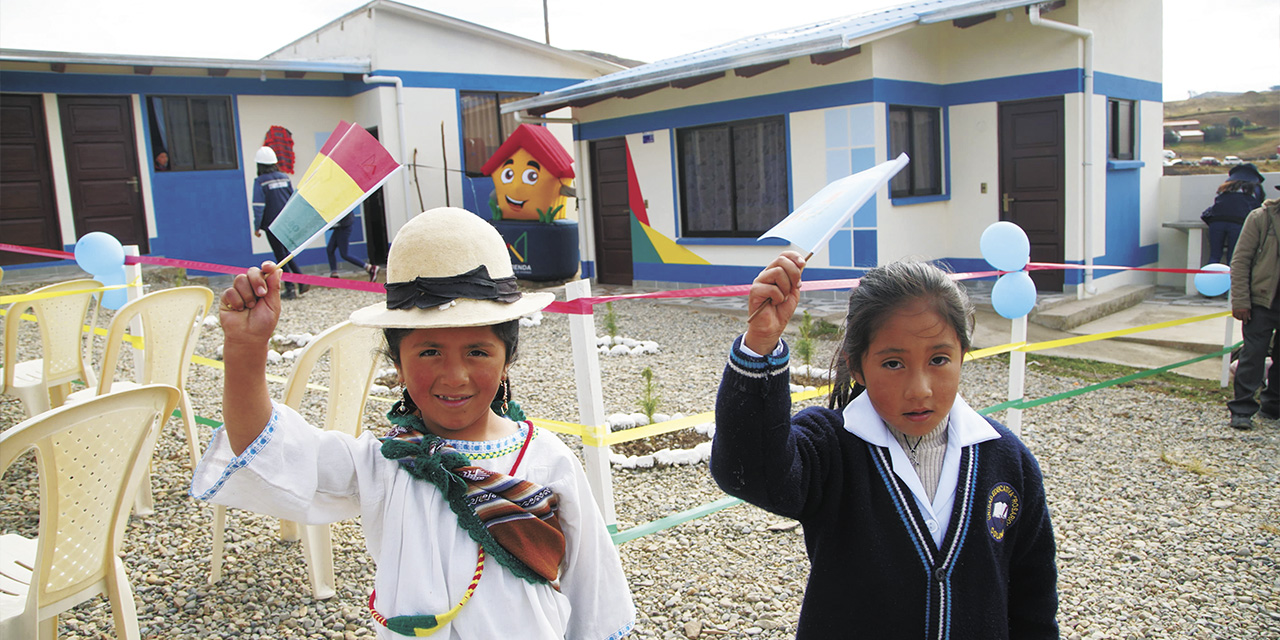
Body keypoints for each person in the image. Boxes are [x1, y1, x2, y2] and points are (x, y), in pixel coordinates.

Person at [192, 207, 635, 639]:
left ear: (507, 361)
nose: (455, 375)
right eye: (429, 352)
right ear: (398, 365)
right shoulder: (385, 465)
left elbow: (591, 586)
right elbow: (264, 445)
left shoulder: (547, 459)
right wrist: (246, 348)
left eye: (478, 352)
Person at [710, 253, 1058, 638]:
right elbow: (749, 472)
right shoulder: (831, 448)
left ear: (963, 354)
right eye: (893, 363)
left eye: (940, 359)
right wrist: (759, 345)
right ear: (857, 366)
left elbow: (1033, 603)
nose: (920, 389)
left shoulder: (1007, 460)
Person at [1227, 193, 1279, 429]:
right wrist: (1241, 300)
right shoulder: (1261, 218)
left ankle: (1273, 406)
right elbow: (1240, 261)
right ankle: (1242, 409)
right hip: (1262, 300)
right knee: (1253, 354)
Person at [252, 146, 306, 299]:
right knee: (287, 254)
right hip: (286, 222)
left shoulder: (260, 181)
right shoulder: (284, 177)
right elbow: (293, 199)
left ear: (259, 165)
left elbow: (258, 206)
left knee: (280, 257)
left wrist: (257, 227)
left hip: (272, 225)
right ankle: (301, 281)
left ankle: (290, 288)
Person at [1204, 163, 1266, 265]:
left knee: (1214, 256)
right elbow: (1258, 208)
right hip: (1238, 223)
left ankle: (1209, 278)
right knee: (1233, 257)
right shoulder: (1254, 188)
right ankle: (1230, 280)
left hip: (1216, 222)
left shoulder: (1225, 187)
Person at [326, 211, 379, 280]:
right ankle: (334, 273)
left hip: (344, 227)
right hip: (339, 227)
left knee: (345, 254)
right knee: (330, 249)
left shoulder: (342, 202)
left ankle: (369, 268)